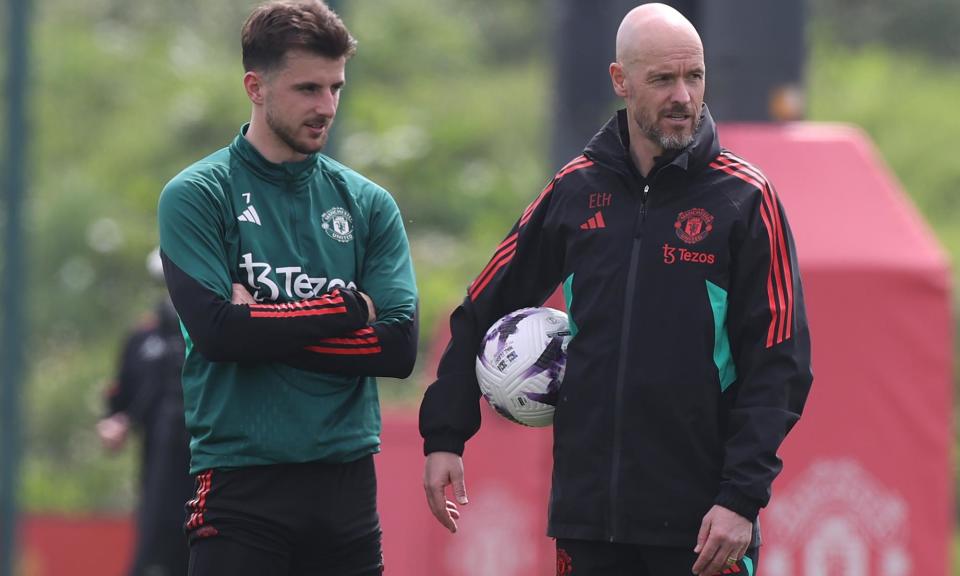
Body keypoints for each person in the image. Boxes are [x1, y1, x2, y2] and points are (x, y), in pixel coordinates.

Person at [419, 4, 812, 576]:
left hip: (705, 526)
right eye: (662, 79)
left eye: (693, 76)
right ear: (620, 81)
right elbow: (485, 305)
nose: (683, 95)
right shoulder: (576, 188)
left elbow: (781, 365)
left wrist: (740, 498)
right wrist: (445, 433)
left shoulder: (746, 198)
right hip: (590, 520)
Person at [156, 1, 418, 574]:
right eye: (307, 89)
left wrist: (260, 328)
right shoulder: (198, 194)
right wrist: (350, 309)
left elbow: (398, 348)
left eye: (335, 88)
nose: (326, 107)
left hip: (347, 488)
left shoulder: (369, 204)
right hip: (241, 485)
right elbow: (219, 334)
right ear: (255, 86)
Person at [97, 250, 193, 576]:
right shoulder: (142, 339)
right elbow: (119, 404)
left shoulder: (217, 334)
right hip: (158, 478)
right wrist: (112, 424)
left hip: (218, 479)